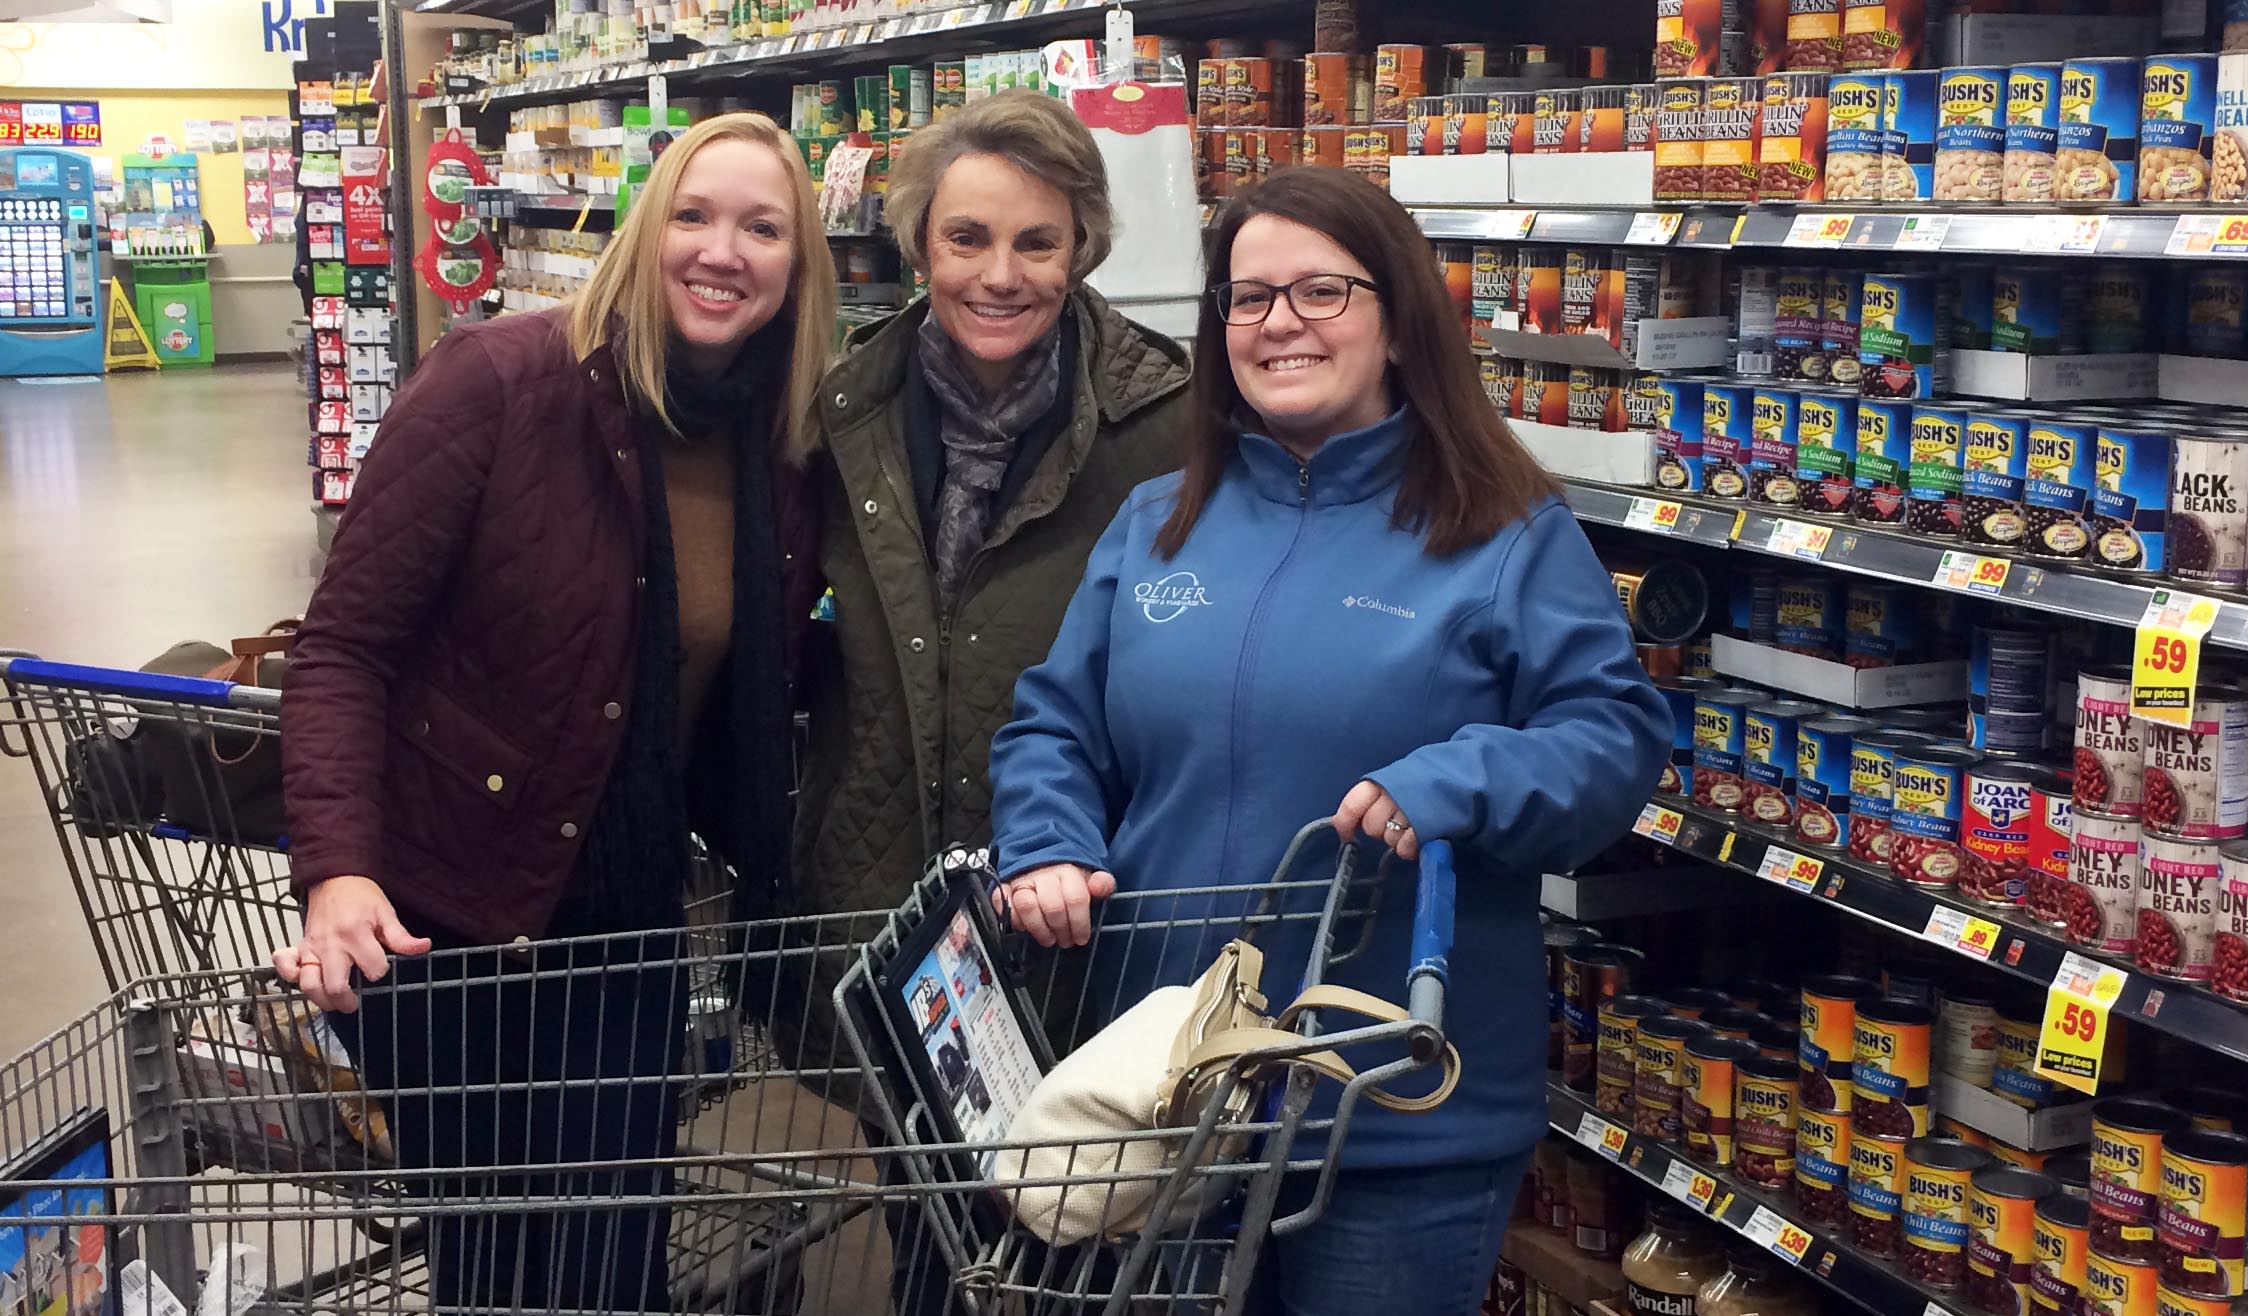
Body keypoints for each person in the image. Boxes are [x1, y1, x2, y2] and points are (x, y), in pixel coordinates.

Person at [989, 165, 1673, 1316]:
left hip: (1395, 1118)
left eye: (1321, 291)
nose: (1279, 324)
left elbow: (1613, 739)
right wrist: (1046, 838)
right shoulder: (1157, 521)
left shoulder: (1505, 529)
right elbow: (1055, 719)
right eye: (1248, 299)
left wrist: (1464, 773)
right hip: (1168, 1095)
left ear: (1398, 321)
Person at [272, 111, 837, 1313]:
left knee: (611, 1254)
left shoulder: (780, 451)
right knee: (498, 1265)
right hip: (448, 917)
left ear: (800, 264)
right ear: (646, 229)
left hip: (626, 914)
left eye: (760, 226)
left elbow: (757, 669)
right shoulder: (498, 382)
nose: (720, 250)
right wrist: (337, 870)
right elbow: (343, 648)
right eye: (692, 214)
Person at [792, 85, 1191, 1313]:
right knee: (936, 1232)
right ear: (917, 241)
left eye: (1038, 240)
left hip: (1091, 900)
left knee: (1100, 1228)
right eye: (967, 237)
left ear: (1084, 248)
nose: (1000, 273)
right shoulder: (845, 411)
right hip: (899, 903)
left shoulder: (1169, 422)